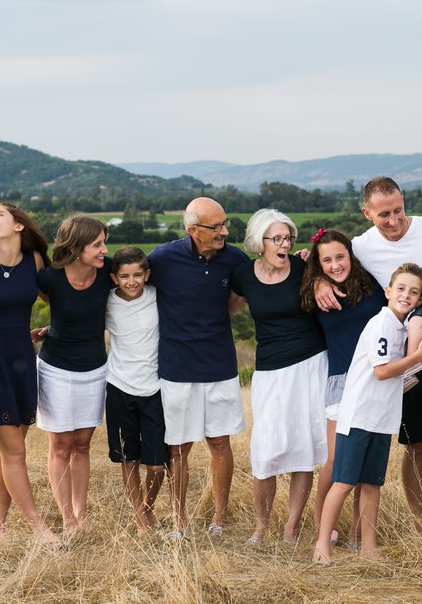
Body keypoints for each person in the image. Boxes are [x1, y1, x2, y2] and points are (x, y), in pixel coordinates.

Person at [314, 176, 422, 532]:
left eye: (399, 210)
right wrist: (317, 280)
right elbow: (329, 261)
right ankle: (417, 526)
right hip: (406, 365)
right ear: (367, 213)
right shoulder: (361, 247)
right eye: (384, 214)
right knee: (414, 448)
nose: (395, 220)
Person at [312, 263, 422, 565]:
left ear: (420, 299)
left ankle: (368, 548)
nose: (406, 295)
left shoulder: (401, 329)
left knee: (372, 484)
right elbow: (382, 372)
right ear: (388, 291)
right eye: (400, 289)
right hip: (358, 417)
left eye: (414, 292)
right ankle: (321, 544)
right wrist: (419, 355)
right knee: (344, 483)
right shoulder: (381, 324)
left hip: (382, 420)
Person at [147, 197, 248, 540]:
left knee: (220, 442)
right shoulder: (163, 258)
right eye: (216, 227)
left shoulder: (234, 258)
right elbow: (128, 286)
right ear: (193, 230)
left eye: (225, 224)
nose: (224, 231)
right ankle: (179, 521)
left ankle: (219, 518)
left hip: (219, 363)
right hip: (176, 366)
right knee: (178, 447)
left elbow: (239, 299)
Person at [230, 209, 328, 546]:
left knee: (305, 445)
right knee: (265, 449)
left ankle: (291, 526)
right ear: (260, 242)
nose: (285, 244)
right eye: (277, 238)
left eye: (288, 238)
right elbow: (228, 309)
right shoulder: (243, 275)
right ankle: (261, 525)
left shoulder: (304, 267)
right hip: (269, 370)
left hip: (311, 363)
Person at [0, 203, 58, 545]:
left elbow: (58, 297)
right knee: (15, 452)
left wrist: (55, 329)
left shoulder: (34, 262)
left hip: (22, 362)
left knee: (7, 451)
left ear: (19, 226)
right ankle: (39, 529)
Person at [299, 228, 385, 548]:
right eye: (327, 260)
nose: (335, 264)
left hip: (376, 381)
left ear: (351, 255)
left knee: (365, 465)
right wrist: (315, 275)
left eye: (340, 256)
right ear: (318, 264)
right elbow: (288, 267)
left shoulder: (372, 286)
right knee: (337, 461)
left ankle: (358, 533)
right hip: (341, 382)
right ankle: (324, 525)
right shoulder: (313, 290)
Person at [35, 214, 114, 536]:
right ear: (77, 246)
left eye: (103, 242)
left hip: (95, 369)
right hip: (56, 369)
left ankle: (81, 515)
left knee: (82, 445)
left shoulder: (108, 272)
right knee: (61, 446)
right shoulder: (49, 279)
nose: (104, 250)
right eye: (97, 244)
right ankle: (67, 518)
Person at [104, 247, 167, 534]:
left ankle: (147, 507)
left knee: (156, 465)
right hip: (119, 386)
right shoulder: (107, 303)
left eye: (138, 275)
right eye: (125, 276)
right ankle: (141, 521)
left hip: (154, 388)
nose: (132, 281)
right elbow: (79, 324)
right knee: (128, 459)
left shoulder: (158, 297)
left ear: (147, 274)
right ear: (114, 278)